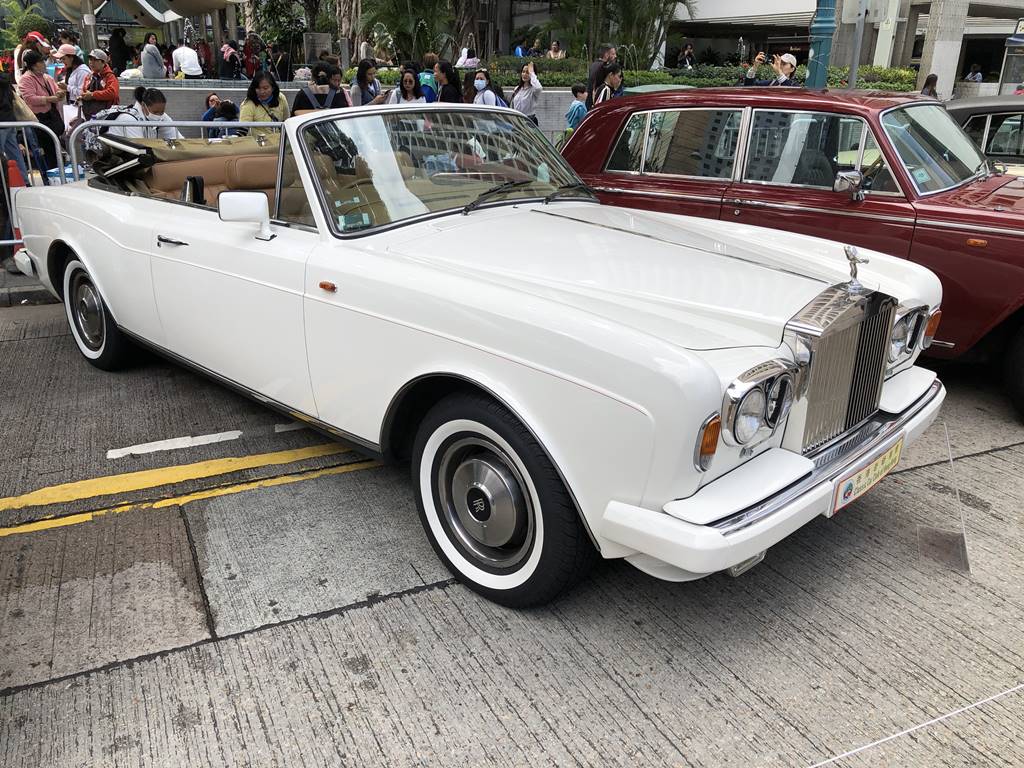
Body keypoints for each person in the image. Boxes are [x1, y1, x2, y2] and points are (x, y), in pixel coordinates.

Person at [18, 51, 65, 170]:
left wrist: (59, 93)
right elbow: (29, 98)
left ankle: (58, 171)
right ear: (33, 65)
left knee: (55, 146)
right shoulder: (26, 79)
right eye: (41, 62)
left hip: (53, 116)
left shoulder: (46, 77)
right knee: (46, 149)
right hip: (39, 119)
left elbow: (56, 89)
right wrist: (49, 99)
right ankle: (50, 174)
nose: (44, 63)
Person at [109, 86, 182, 140]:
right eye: (155, 112)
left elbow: (177, 138)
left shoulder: (161, 116)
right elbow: (139, 148)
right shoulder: (130, 120)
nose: (159, 116)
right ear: (143, 105)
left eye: (162, 111)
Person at [239, 71, 289, 135]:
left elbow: (287, 121)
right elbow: (243, 129)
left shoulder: (281, 98)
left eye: (265, 88)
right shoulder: (248, 104)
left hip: (279, 141)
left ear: (273, 87)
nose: (262, 92)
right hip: (258, 143)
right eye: (258, 88)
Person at [80, 49, 120, 118]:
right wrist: (83, 96)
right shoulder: (89, 76)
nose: (91, 62)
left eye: (95, 60)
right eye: (90, 59)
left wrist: (93, 95)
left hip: (107, 115)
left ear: (103, 62)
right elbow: (84, 90)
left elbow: (113, 93)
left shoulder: (110, 76)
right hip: (90, 115)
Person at [587, 44, 616, 108]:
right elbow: (596, 88)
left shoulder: (594, 65)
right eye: (613, 54)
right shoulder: (602, 67)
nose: (615, 56)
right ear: (606, 55)